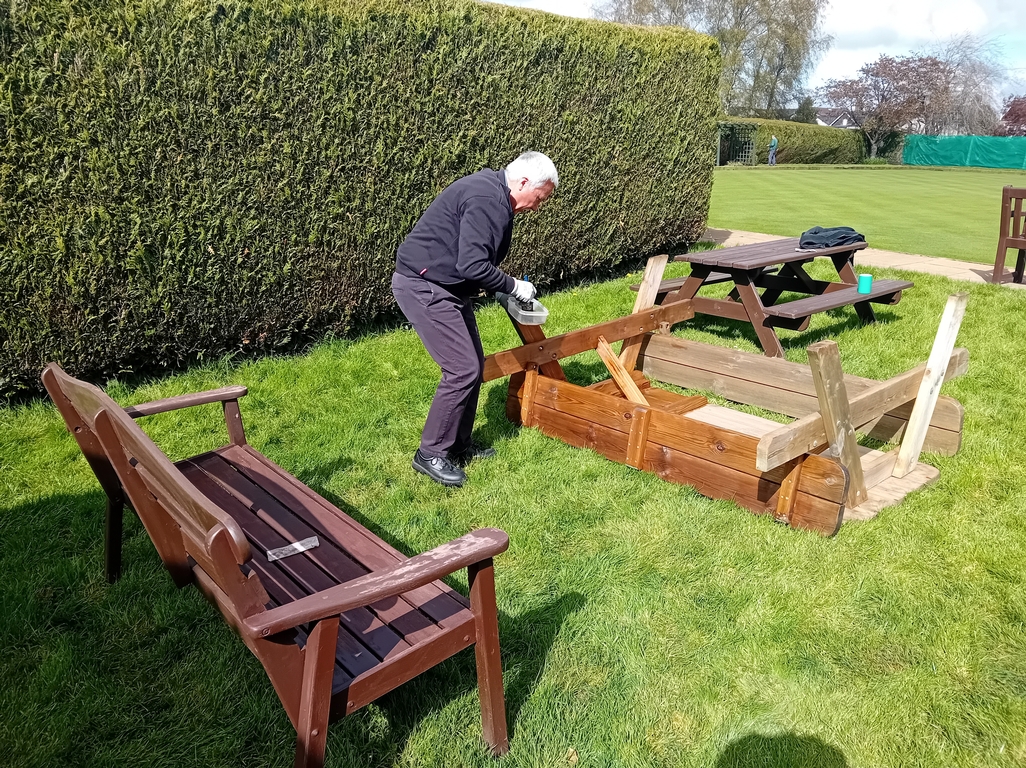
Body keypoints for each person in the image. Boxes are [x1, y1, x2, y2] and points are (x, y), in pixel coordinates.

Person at [392, 151, 559, 487]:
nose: (537, 207)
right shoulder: (487, 199)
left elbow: (473, 258)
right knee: (462, 369)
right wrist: (513, 285)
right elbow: (472, 265)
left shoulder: (494, 193)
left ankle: (458, 445)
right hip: (424, 286)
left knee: (473, 365)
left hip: (449, 286)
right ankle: (430, 453)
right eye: (540, 198)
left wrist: (501, 288)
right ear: (523, 182)